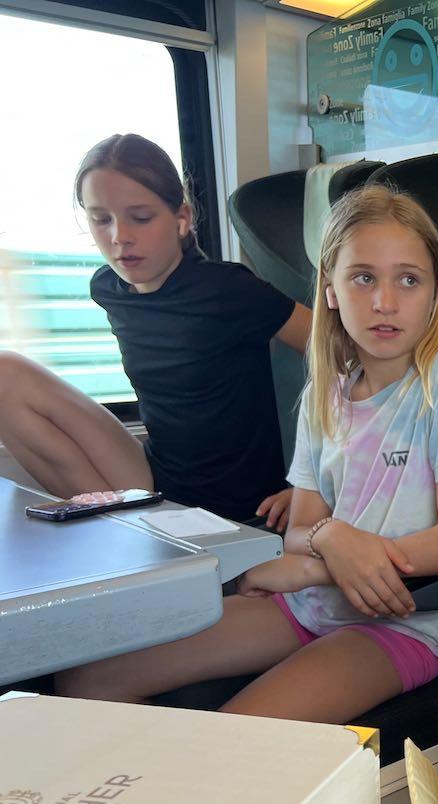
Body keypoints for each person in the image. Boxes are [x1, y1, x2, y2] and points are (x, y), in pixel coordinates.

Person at [57, 185, 438, 722]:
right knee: (86, 678)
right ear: (330, 291)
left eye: (408, 279)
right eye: (363, 278)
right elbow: (301, 528)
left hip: (407, 621)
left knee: (234, 736)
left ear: (433, 292)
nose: (385, 301)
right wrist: (330, 537)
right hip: (308, 607)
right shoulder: (325, 393)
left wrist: (315, 571)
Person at [0, 133, 308, 526]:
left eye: (141, 218)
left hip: (241, 505)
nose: (119, 237)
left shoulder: (229, 290)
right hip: (156, 482)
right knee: (4, 374)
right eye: (101, 219)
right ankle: (121, 528)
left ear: (182, 219)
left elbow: (343, 355)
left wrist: (311, 486)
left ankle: (133, 531)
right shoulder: (108, 289)